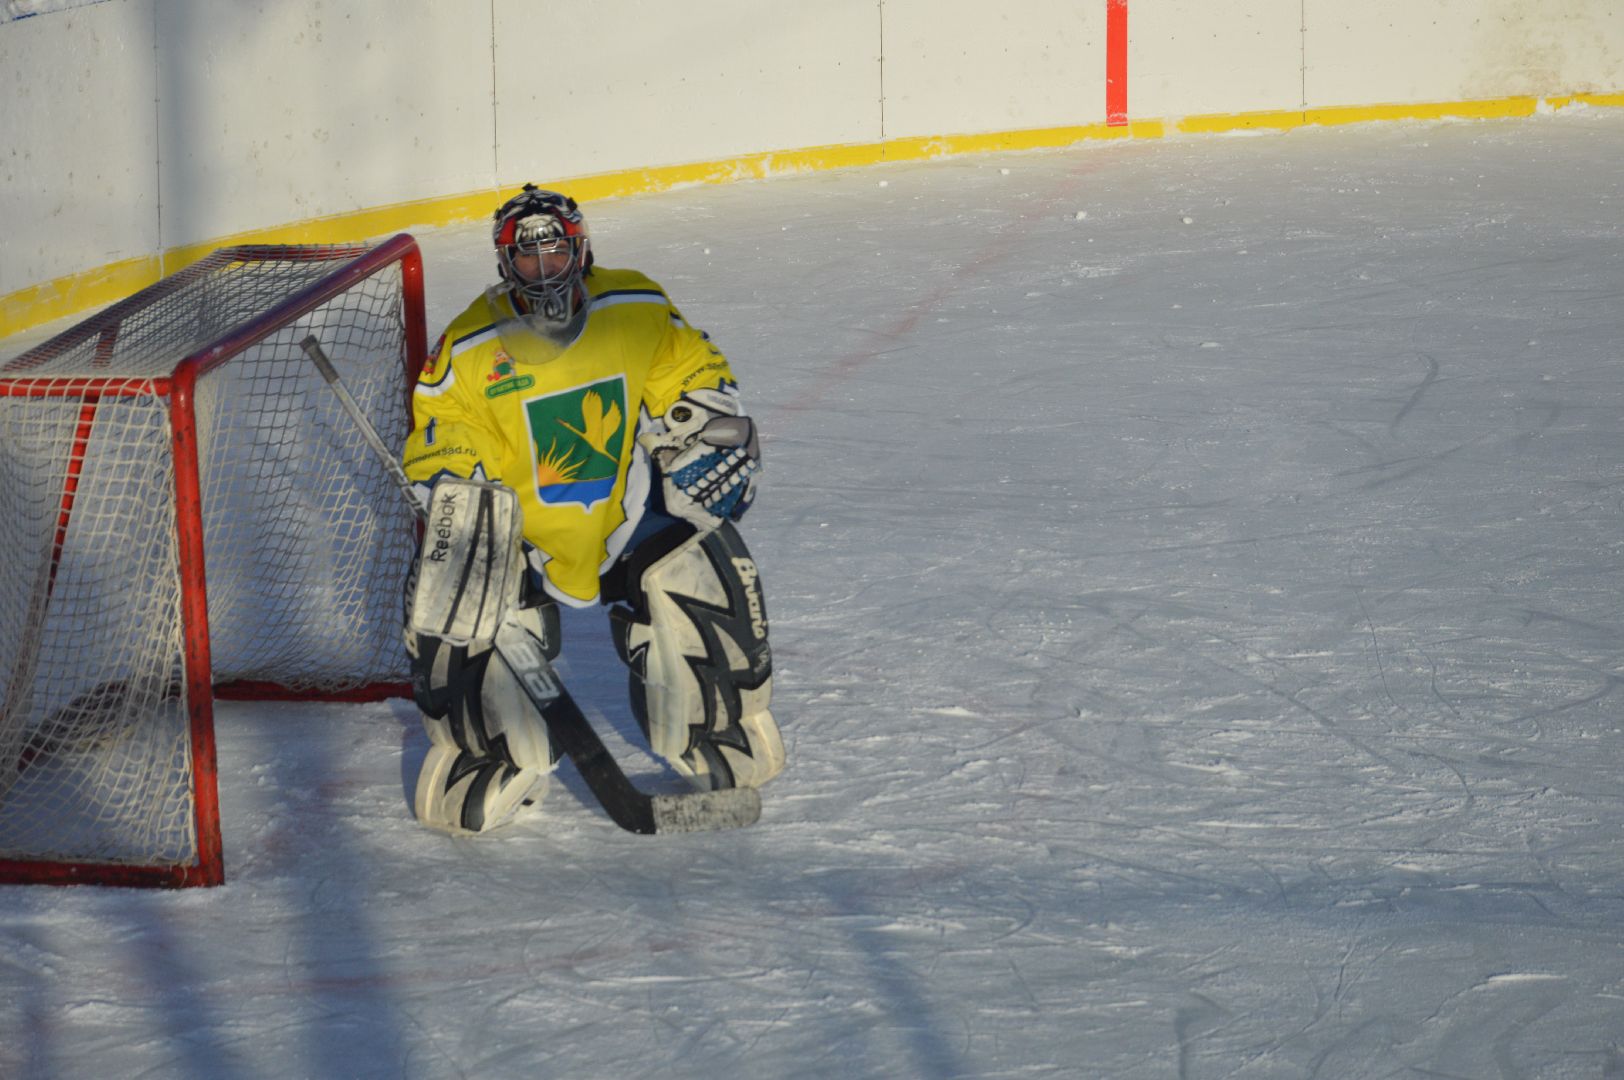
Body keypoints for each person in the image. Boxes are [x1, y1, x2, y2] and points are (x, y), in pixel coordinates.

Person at [400, 184, 784, 834]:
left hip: (621, 515)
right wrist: (450, 488)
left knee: (704, 567)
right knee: (452, 600)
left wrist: (706, 417)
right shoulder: (468, 345)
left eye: (555, 251)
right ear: (504, 262)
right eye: (528, 257)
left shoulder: (633, 304)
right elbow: (441, 428)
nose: (544, 268)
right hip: (521, 534)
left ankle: (713, 729)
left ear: (580, 248)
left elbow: (686, 367)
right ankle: (489, 758)